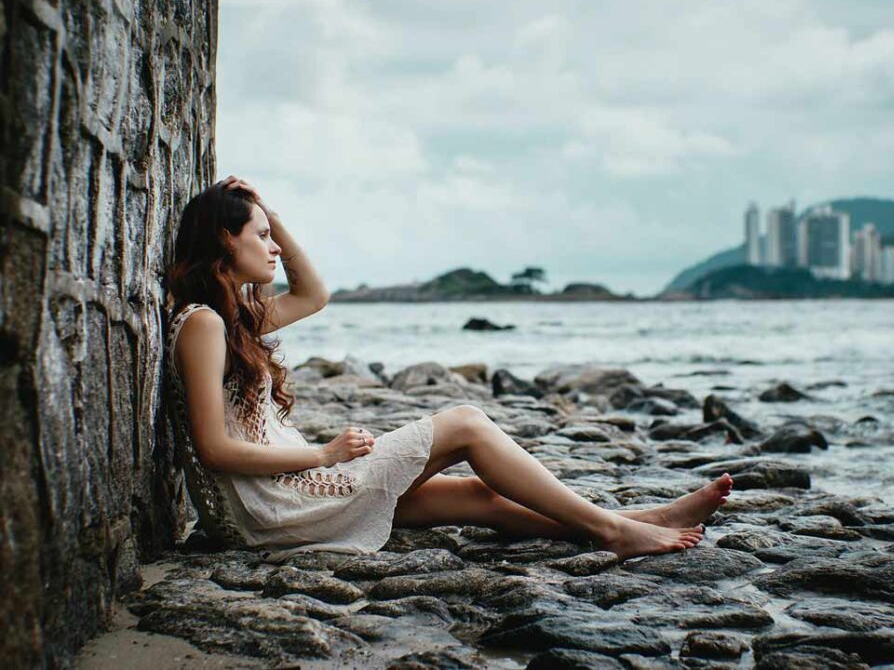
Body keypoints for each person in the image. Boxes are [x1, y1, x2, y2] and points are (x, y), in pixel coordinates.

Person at [166, 175, 734, 563]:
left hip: (288, 492)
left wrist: (274, 216)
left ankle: (640, 519)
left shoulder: (233, 318)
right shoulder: (204, 325)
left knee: (475, 499)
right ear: (224, 239)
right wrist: (325, 454)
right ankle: (614, 531)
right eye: (261, 236)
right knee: (464, 422)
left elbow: (314, 294)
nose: (273, 249)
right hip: (275, 504)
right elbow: (213, 448)